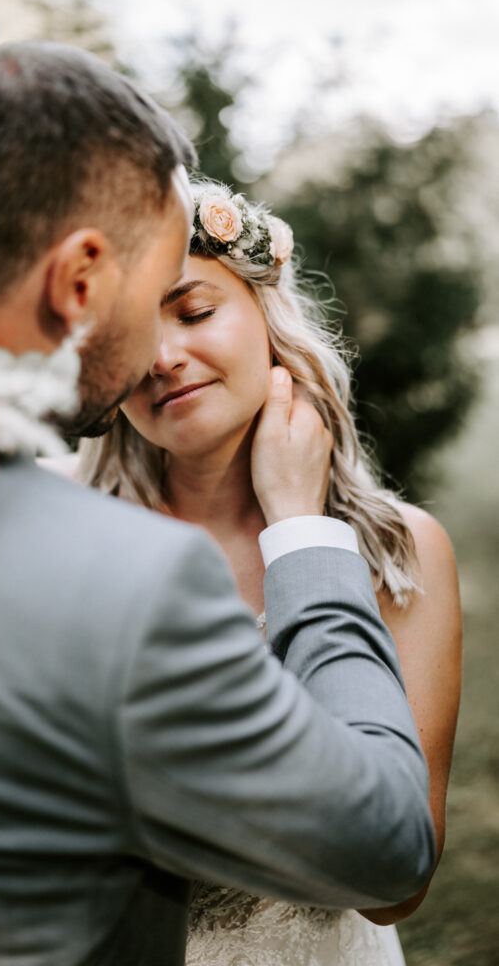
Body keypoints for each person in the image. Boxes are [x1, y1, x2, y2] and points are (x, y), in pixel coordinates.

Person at [0, 44, 435, 966]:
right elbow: (390, 852)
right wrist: (306, 539)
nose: (157, 349)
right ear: (79, 281)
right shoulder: (131, 585)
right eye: (158, 294)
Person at [68, 179, 462, 965]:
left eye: (192, 310)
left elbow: (393, 887)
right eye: (128, 333)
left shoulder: (397, 549)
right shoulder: (70, 538)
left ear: (265, 313)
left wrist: (298, 527)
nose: (162, 357)